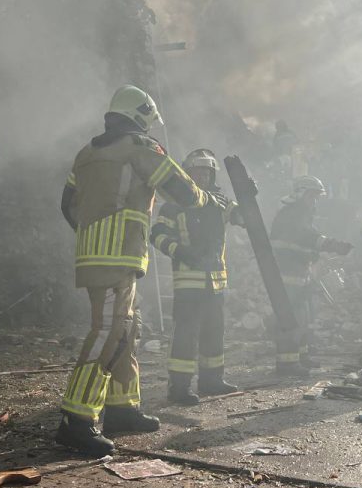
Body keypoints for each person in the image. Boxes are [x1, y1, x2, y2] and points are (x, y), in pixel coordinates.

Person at [58, 86, 222, 456]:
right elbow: (182, 190)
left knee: (128, 328)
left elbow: (67, 205)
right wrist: (205, 200)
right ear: (143, 115)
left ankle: (122, 409)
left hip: (96, 253)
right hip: (118, 256)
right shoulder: (140, 147)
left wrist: (94, 234)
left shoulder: (86, 153)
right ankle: (76, 420)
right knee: (109, 331)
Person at [151, 148, 243, 405]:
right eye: (196, 171)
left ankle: (212, 380)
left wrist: (248, 196)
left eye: (207, 171)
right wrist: (180, 252)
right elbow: (156, 234)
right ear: (186, 174)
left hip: (216, 282)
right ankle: (179, 387)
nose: (202, 175)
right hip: (188, 282)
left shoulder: (220, 202)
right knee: (185, 335)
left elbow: (242, 217)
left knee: (214, 332)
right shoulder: (175, 204)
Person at [270, 176, 353, 375]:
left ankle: (301, 356)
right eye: (312, 196)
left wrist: (314, 253)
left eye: (317, 197)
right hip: (287, 275)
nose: (314, 201)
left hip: (299, 274)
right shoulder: (292, 213)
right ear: (300, 194)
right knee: (290, 319)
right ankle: (287, 363)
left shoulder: (302, 214)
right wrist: (332, 245)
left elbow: (306, 240)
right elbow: (307, 237)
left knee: (304, 318)